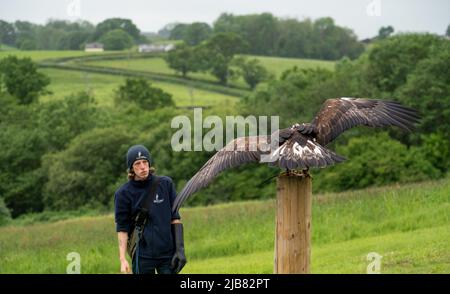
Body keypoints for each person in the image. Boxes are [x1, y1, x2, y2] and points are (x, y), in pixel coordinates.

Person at [114, 145, 186, 274]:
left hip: (167, 254)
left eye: (145, 162)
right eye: (137, 163)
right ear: (131, 168)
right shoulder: (123, 193)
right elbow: (122, 229)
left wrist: (180, 250)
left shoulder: (165, 184)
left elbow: (175, 218)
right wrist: (122, 259)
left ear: (149, 163)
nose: (142, 166)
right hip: (142, 256)